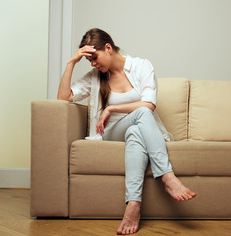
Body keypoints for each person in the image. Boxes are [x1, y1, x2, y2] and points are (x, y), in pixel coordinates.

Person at [57, 28, 196, 235]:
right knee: (140, 114)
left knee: (136, 132)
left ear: (108, 48)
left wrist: (112, 108)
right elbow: (63, 98)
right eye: (89, 61)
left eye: (94, 58)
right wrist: (71, 63)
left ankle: (133, 205)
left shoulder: (141, 66)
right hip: (110, 133)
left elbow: (149, 104)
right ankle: (167, 176)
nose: (93, 64)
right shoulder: (96, 76)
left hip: (137, 129)